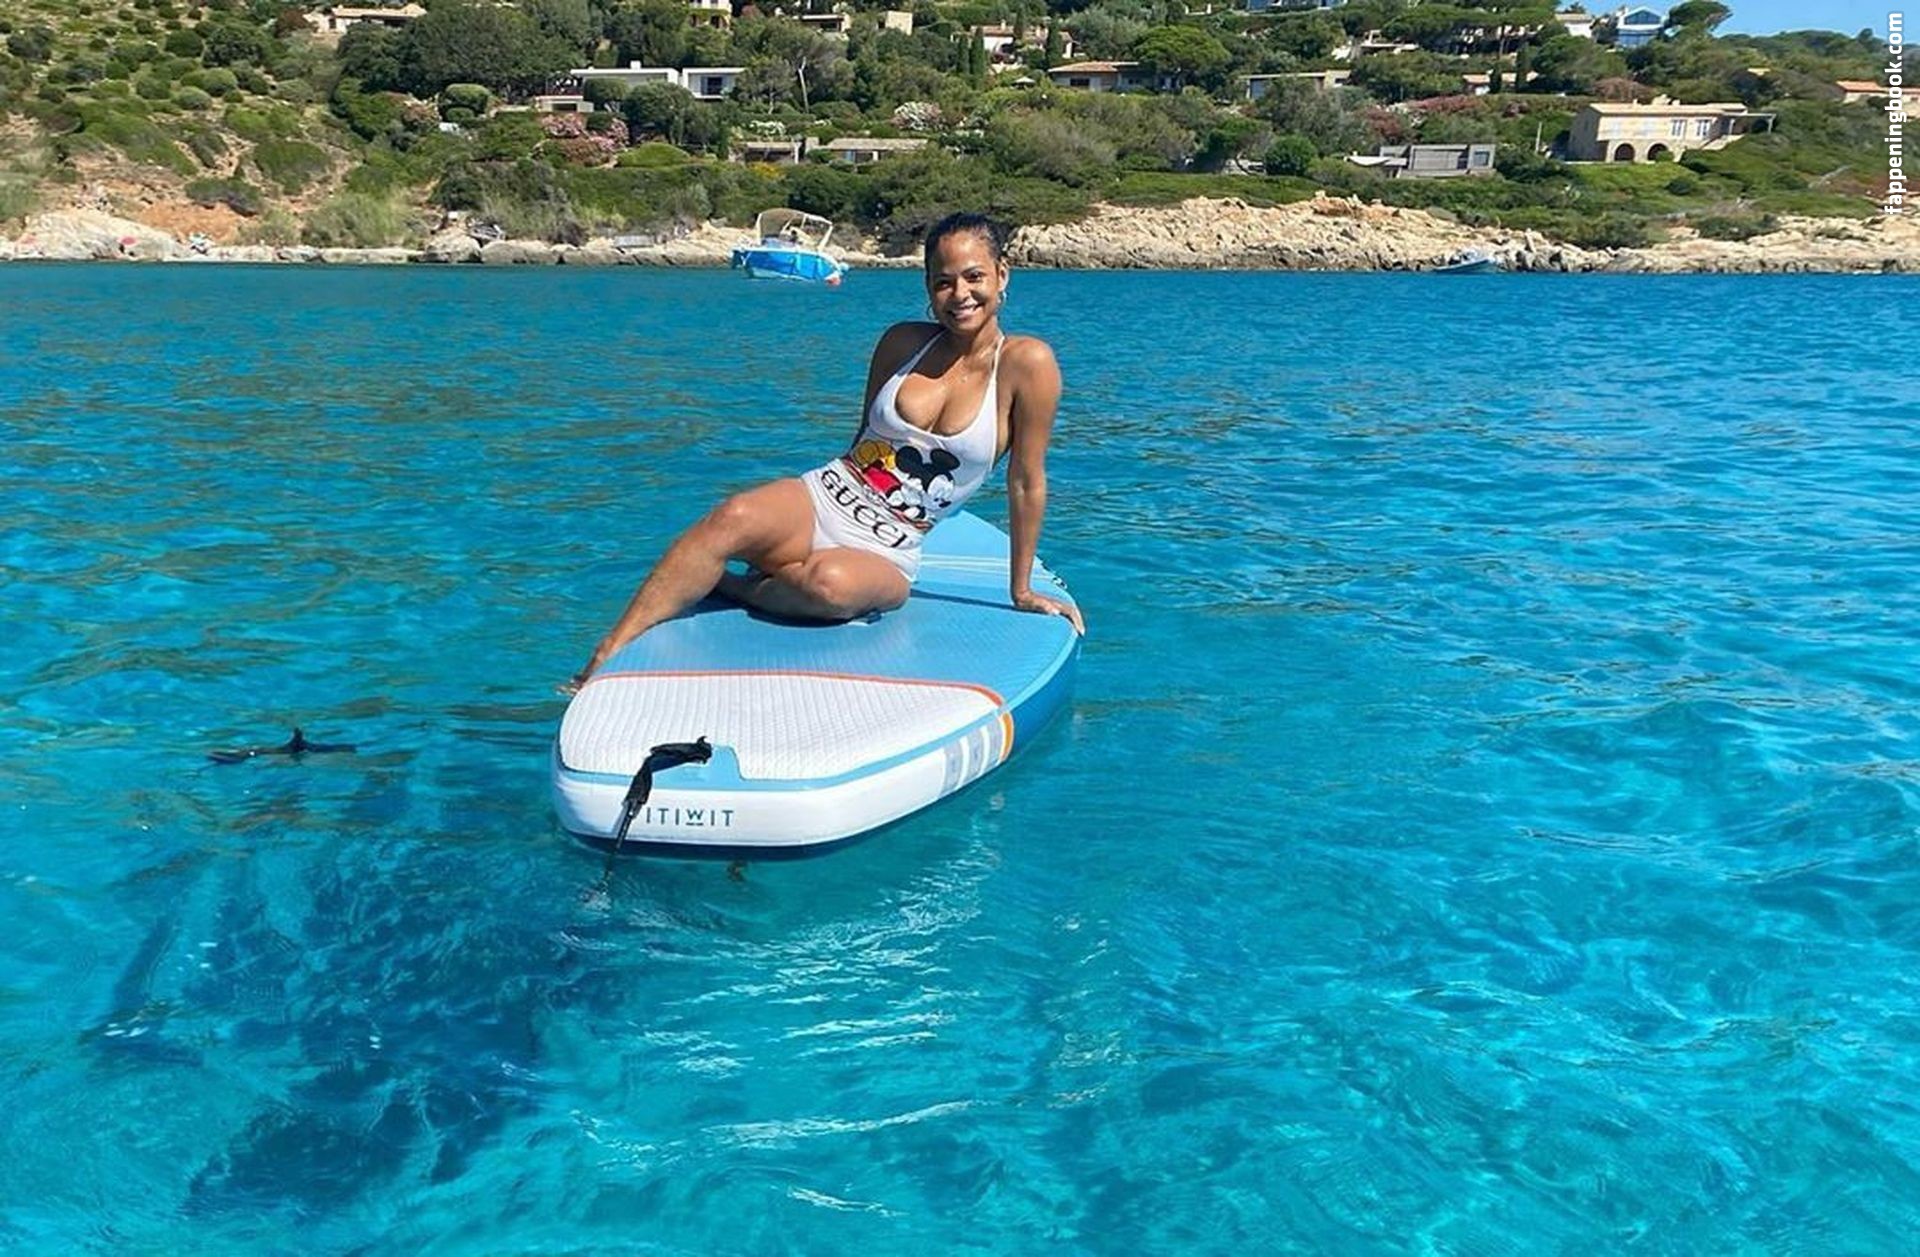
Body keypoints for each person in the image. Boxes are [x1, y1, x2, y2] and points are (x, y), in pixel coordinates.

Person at [567, 211, 1083, 692]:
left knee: (830, 585)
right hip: (829, 494)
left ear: (1002, 275)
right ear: (928, 287)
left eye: (974, 277)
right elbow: (863, 438)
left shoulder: (1027, 364)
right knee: (732, 517)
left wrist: (1020, 590)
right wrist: (794, 519)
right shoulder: (902, 342)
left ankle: (733, 586)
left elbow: (1026, 481)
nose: (960, 294)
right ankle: (606, 657)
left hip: (890, 545)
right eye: (943, 282)